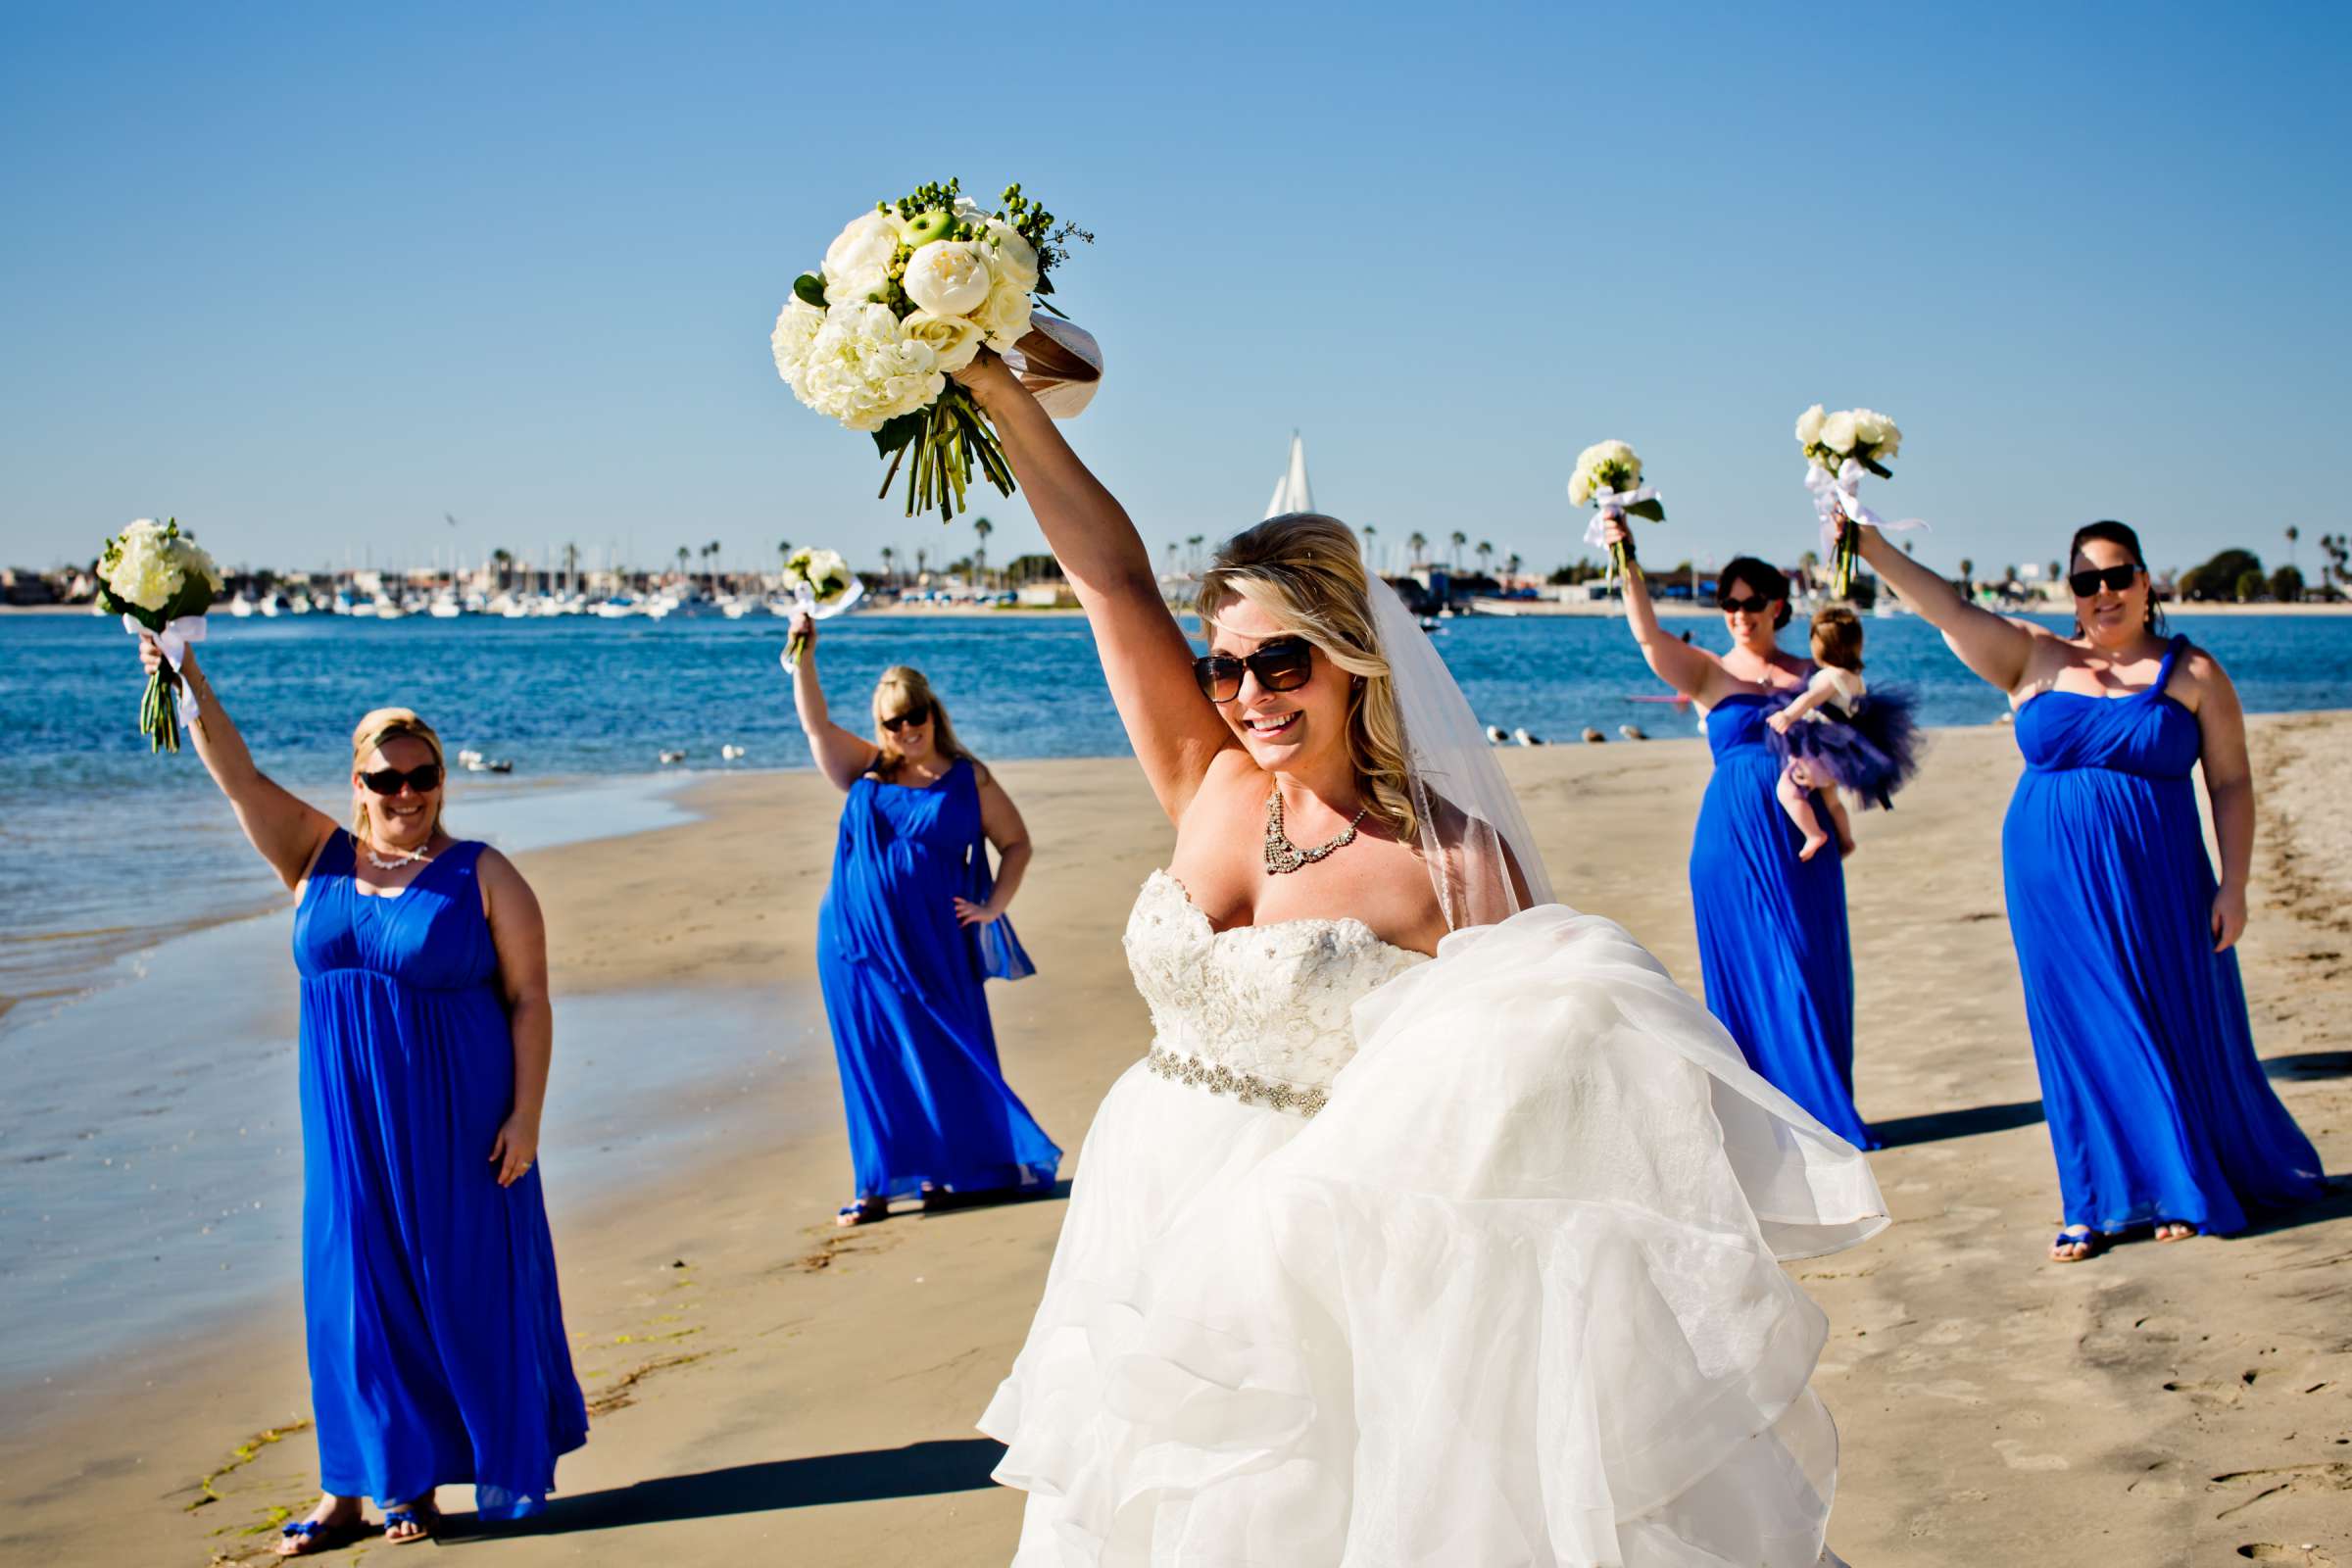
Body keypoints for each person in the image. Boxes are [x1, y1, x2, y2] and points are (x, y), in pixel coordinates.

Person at [963, 351, 1886, 1565]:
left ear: (1353, 653)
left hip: (1323, 1254)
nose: (1248, 693)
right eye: (1226, 665)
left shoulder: (1452, 863)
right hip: (1145, 1215)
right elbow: (1111, 577)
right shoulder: (1210, 780)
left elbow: (1540, 1096)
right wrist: (990, 387)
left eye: (1282, 660)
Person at [132, 638, 586, 1555]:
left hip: (459, 1128)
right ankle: (357, 1489)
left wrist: (527, 1117)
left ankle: (418, 1484)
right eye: (388, 780)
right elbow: (234, 773)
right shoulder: (314, 857)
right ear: (359, 784)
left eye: (423, 775)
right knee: (351, 1300)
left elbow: (531, 1000)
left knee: (452, 1296)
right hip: (346, 1127)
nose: (408, 794)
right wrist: (184, 670)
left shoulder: (484, 874)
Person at [1851, 517, 2323, 1262]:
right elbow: (1945, 607)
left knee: (2157, 1020)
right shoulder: (2034, 655)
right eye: (2086, 580)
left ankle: (2173, 1185)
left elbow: (2230, 782)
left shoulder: (2193, 673)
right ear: (2071, 593)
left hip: (2159, 881)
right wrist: (1869, 545)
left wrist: (2236, 884)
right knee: (2078, 1031)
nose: (2103, 592)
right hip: (2052, 885)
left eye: (2117, 575)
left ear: (2145, 584)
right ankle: (2094, 1201)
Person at [1601, 517, 1878, 1150]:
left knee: (1808, 964)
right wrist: (1626, 554)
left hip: (1801, 838)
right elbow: (1646, 636)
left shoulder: (1815, 671)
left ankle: (1825, 1110)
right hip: (1730, 838)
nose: (1739, 615)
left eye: (1752, 604)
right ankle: (1767, 1122)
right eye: (1729, 604)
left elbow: (1859, 733)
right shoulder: (1705, 673)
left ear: (1778, 606)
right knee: (1753, 971)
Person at [787, 616, 1060, 1226]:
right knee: (874, 1061)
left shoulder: (970, 780)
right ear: (880, 726)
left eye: (916, 716)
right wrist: (803, 656)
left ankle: (944, 1172)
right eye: (893, 722)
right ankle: (877, 1187)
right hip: (855, 946)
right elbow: (813, 723)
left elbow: (1016, 844)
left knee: (942, 1051)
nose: (907, 729)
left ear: (933, 713)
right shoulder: (865, 770)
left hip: (935, 944)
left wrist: (993, 906)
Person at [1764, 606, 1921, 860]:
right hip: (1840, 752)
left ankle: (1813, 833)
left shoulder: (1829, 676)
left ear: (1820, 645)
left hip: (1822, 749)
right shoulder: (1854, 678)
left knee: (1787, 788)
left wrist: (1787, 715)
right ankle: (1846, 839)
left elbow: (1809, 698)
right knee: (1832, 801)